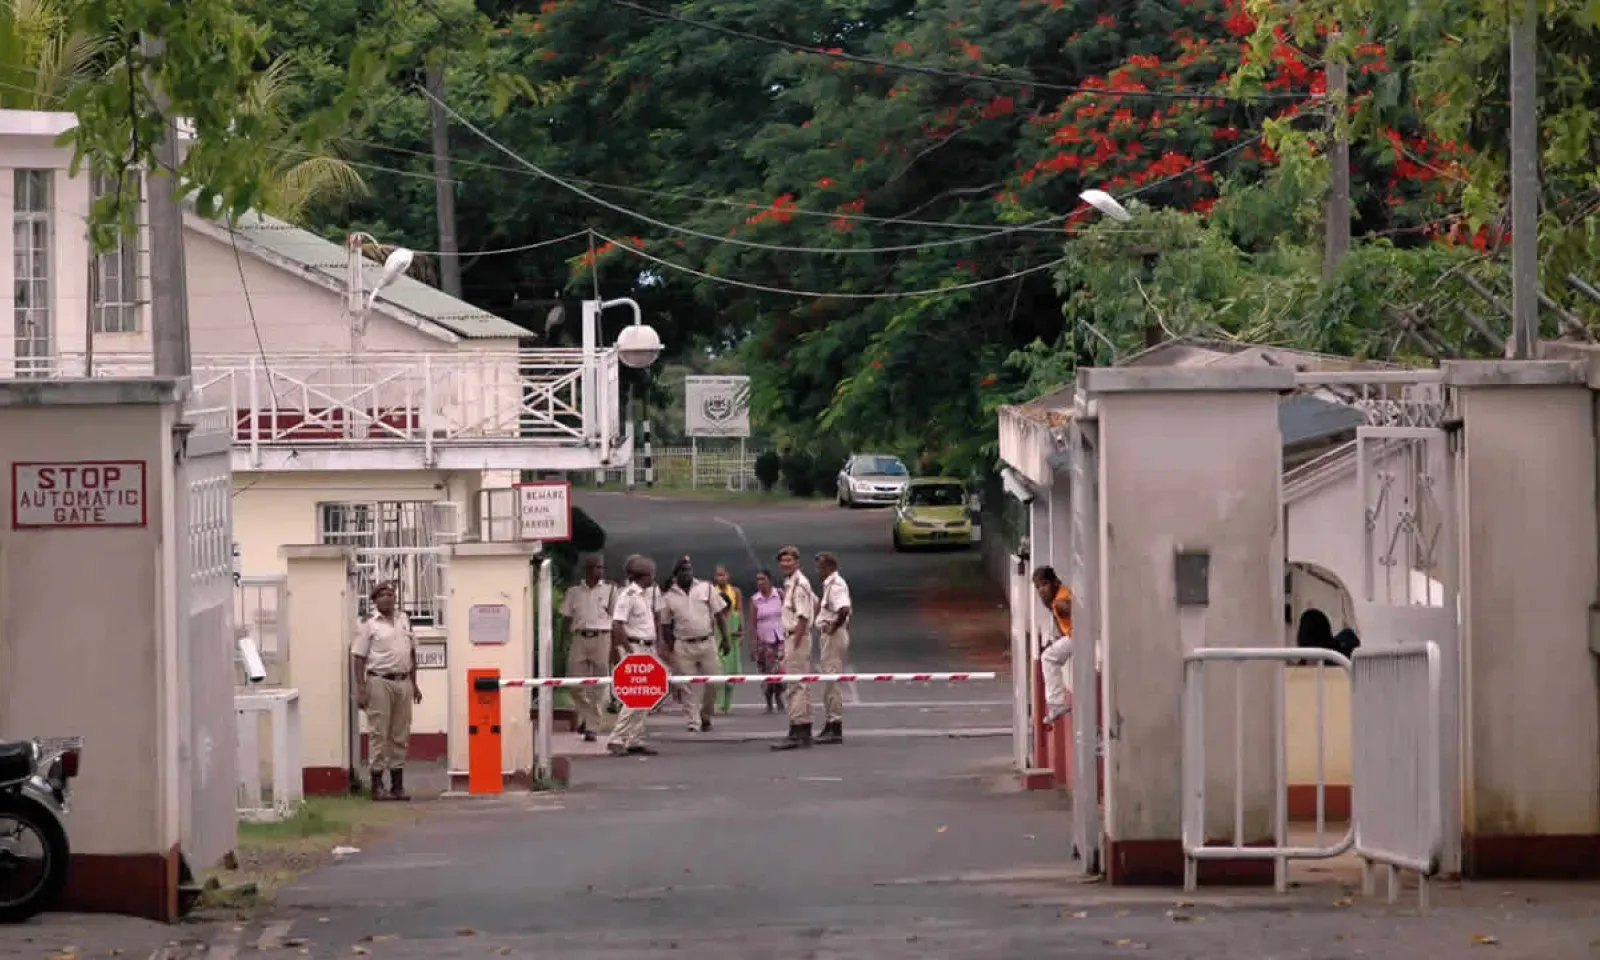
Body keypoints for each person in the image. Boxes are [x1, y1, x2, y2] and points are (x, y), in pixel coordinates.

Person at [352, 582, 422, 801]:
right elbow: (358, 657)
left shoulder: (404, 620)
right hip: (379, 681)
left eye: (391, 594)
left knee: (400, 734)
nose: (387, 598)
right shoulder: (369, 624)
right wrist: (361, 689)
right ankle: (377, 785)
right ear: (375, 600)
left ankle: (397, 785)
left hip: (403, 682)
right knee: (379, 734)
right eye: (382, 595)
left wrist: (415, 683)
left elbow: (411, 654)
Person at [659, 556, 730, 733]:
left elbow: (719, 615)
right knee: (685, 685)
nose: (688, 573)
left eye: (689, 569)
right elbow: (666, 625)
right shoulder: (668, 596)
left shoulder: (705, 588)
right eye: (683, 570)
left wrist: (726, 639)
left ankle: (705, 714)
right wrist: (671, 648)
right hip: (683, 644)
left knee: (715, 680)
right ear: (676, 575)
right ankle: (693, 720)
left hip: (707, 641)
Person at [607, 555, 664, 757]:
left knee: (645, 696)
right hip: (635, 647)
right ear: (643, 576)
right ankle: (617, 737)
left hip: (647, 648)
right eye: (651, 575)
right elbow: (617, 624)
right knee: (634, 695)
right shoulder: (628, 596)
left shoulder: (644, 595)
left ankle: (634, 739)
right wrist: (629, 651)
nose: (654, 579)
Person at [560, 554, 618, 742]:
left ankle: (592, 725)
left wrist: (614, 647)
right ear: (588, 570)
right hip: (580, 638)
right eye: (597, 568)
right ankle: (588, 713)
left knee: (601, 683)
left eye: (602, 568)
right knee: (573, 683)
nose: (600, 571)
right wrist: (562, 644)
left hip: (602, 637)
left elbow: (616, 621)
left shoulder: (610, 591)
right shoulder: (574, 592)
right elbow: (566, 619)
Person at [772, 545, 818, 751]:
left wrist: (796, 643)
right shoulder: (791, 583)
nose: (785, 564)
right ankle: (804, 728)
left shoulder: (799, 583)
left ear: (797, 562)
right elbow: (814, 602)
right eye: (783, 560)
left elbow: (803, 617)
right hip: (793, 637)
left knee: (796, 685)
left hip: (796, 637)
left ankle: (797, 730)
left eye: (789, 560)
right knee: (801, 684)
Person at [813, 552, 853, 745]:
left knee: (832, 680)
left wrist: (834, 627)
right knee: (829, 680)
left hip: (833, 636)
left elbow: (843, 609)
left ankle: (835, 724)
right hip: (833, 635)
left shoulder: (835, 585)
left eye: (820, 567)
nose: (817, 571)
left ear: (828, 567)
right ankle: (830, 722)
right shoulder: (830, 584)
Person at [1033, 566, 1073, 726]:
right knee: (1051, 653)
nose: (1041, 590)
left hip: (1080, 637)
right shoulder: (1060, 594)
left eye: (1044, 584)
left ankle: (1056, 704)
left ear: (1055, 582)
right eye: (1038, 587)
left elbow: (1071, 610)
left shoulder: (1060, 602)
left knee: (1048, 658)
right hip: (1074, 636)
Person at [747, 569, 786, 713]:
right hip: (764, 642)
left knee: (780, 671)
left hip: (780, 639)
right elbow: (752, 624)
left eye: (762, 579)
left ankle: (779, 696)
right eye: (758, 580)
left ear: (769, 580)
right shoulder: (755, 600)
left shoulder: (779, 594)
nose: (760, 582)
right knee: (767, 673)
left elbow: (788, 612)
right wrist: (754, 645)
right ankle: (769, 701)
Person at [712, 564, 744, 715]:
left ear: (728, 576)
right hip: (718, 631)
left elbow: (739, 610)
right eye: (718, 575)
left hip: (732, 629)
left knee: (731, 671)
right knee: (719, 670)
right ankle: (719, 703)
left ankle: (727, 704)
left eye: (723, 575)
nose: (721, 578)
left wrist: (741, 629)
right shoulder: (712, 592)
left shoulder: (735, 591)